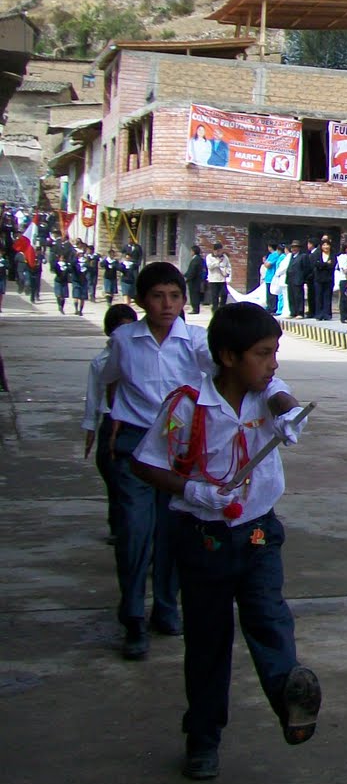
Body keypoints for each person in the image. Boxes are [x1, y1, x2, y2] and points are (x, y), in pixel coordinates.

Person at [130, 303, 319, 781]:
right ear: (227, 357)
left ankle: (289, 695)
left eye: (275, 352)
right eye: (263, 354)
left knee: (269, 615)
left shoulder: (267, 399)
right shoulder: (187, 405)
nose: (273, 363)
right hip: (202, 537)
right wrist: (192, 489)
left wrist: (287, 406)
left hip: (258, 532)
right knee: (209, 641)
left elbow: (279, 395)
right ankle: (203, 737)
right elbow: (144, 463)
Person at [101, 263, 216, 660]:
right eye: (157, 296)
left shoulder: (197, 343)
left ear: (184, 300)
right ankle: (133, 616)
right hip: (134, 444)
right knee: (135, 531)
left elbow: (225, 374)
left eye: (174, 296)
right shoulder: (124, 340)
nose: (166, 305)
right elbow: (108, 378)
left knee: (172, 533)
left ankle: (166, 608)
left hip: (178, 448)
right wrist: (110, 418)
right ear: (141, 300)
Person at [84, 304, 140, 546]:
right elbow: (94, 397)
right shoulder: (101, 361)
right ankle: (119, 527)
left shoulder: (142, 357)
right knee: (115, 478)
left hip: (135, 423)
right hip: (110, 422)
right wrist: (89, 431)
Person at [310, 238, 336, 321]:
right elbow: (316, 264)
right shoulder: (317, 254)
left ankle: (327, 314)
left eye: (327, 245)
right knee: (318, 296)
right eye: (324, 245)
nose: (326, 247)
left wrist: (322, 265)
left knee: (327, 296)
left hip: (329, 278)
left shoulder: (333, 255)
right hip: (318, 279)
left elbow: (332, 265)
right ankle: (319, 314)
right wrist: (325, 264)